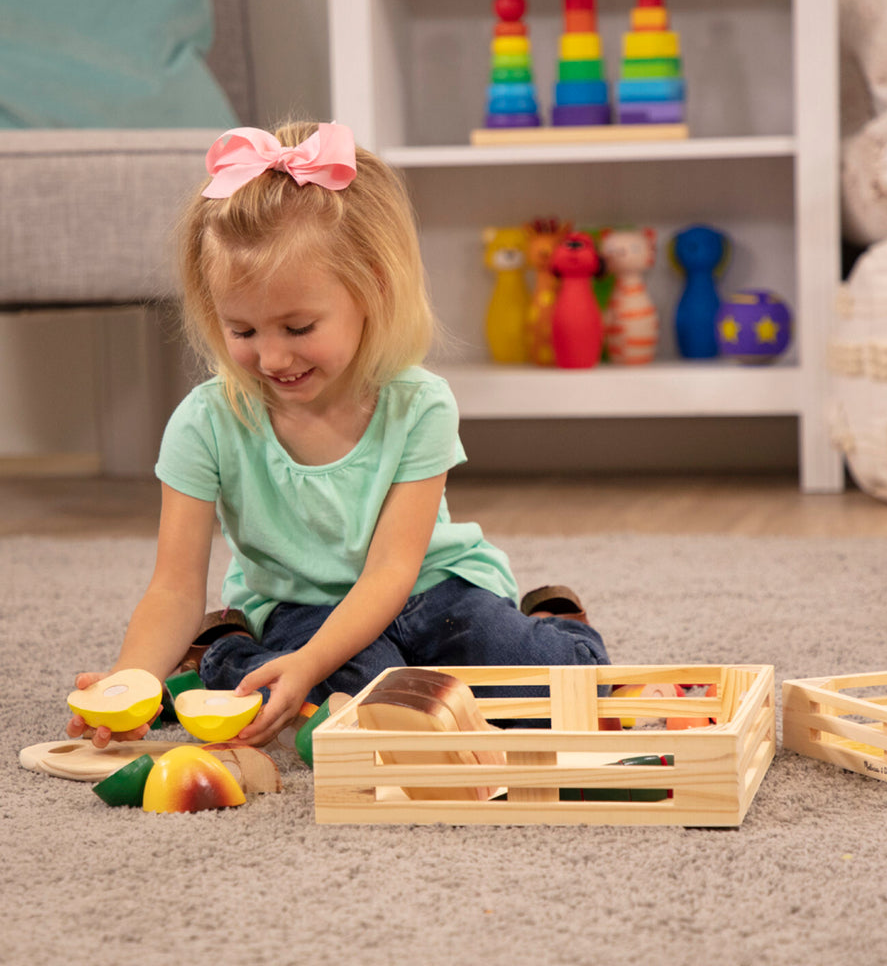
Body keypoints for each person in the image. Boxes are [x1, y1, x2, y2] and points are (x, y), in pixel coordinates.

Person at [67, 121, 609, 748]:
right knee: (364, 710)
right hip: (301, 606)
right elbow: (174, 586)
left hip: (430, 587)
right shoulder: (204, 422)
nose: (272, 358)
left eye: (297, 328)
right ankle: (226, 646)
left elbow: (390, 571)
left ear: (372, 289)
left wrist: (312, 663)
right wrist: (129, 684)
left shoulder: (420, 404)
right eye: (243, 332)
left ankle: (550, 619)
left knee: (564, 688)